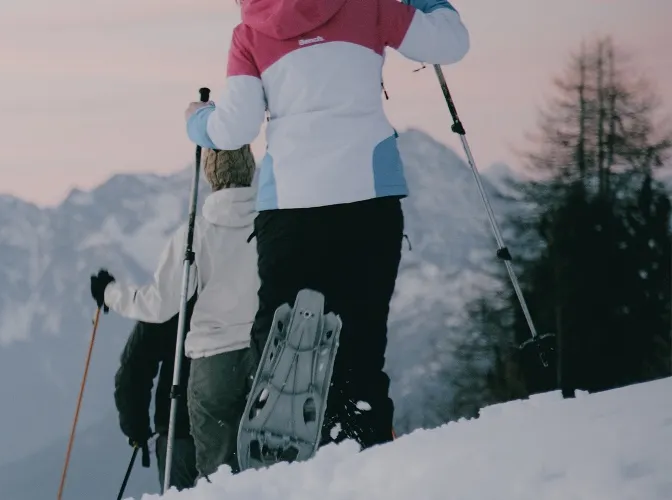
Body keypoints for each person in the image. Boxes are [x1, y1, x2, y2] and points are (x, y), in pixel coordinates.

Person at [181, 0, 470, 450]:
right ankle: (359, 436)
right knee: (362, 341)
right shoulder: (371, 6)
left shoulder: (251, 32)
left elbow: (235, 128)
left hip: (291, 204)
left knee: (277, 338)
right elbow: (450, 43)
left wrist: (197, 121)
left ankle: (275, 441)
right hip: (367, 196)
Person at [95, 144, 262, 483]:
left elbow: (154, 316)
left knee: (213, 481)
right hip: (263, 364)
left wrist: (110, 294)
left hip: (202, 380)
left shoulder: (193, 238)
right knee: (262, 472)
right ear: (250, 170)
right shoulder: (271, 226)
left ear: (210, 175)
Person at [111, 302, 197, 490]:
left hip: (180, 428)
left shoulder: (177, 294)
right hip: (243, 424)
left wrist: (136, 428)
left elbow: (135, 365)